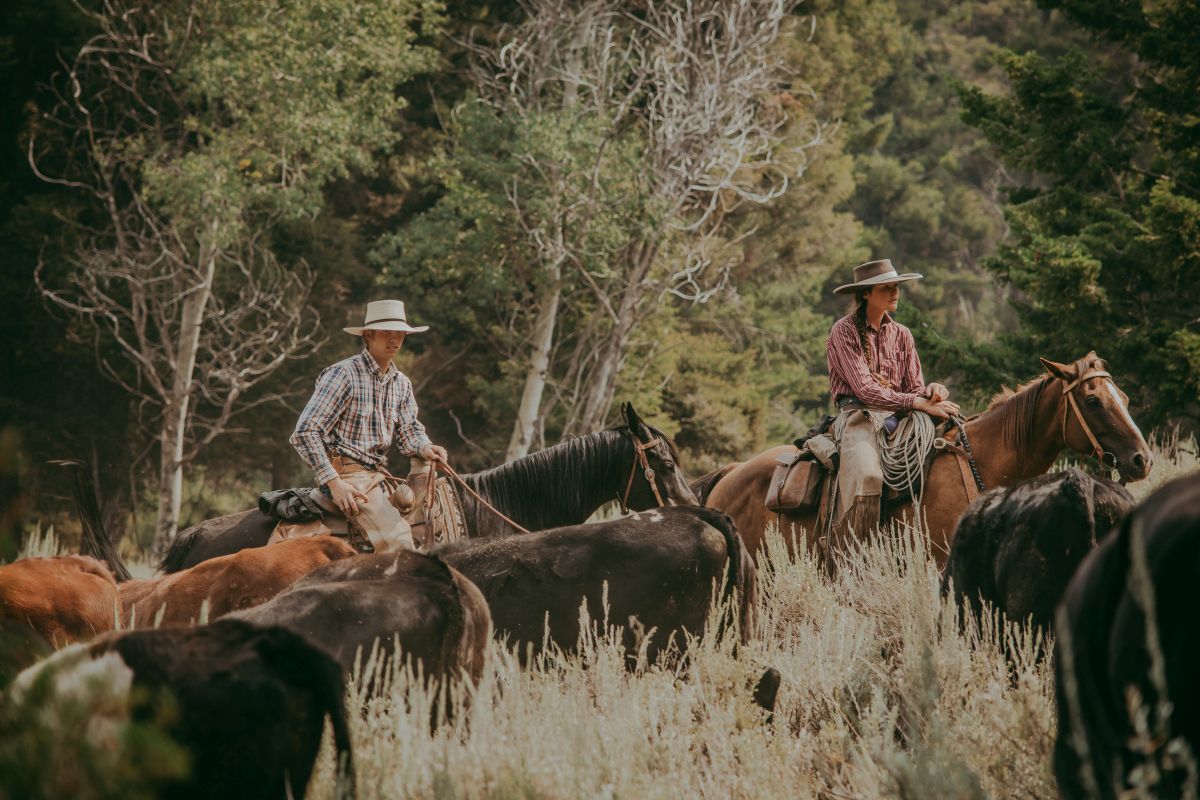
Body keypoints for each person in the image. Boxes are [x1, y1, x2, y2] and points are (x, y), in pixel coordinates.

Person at [290, 299, 448, 552]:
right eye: (387, 332)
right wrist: (333, 482)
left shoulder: (401, 383)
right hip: (348, 476)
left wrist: (426, 447)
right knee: (400, 543)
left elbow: (409, 431)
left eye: (400, 334)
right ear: (368, 335)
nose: (394, 340)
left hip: (377, 475)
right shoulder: (344, 374)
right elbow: (305, 432)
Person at [825, 259, 960, 541]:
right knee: (868, 475)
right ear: (865, 294)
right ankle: (852, 551)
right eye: (886, 288)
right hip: (857, 417)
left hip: (898, 418)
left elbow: (914, 388)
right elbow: (864, 391)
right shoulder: (844, 330)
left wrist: (931, 393)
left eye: (896, 286)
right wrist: (916, 402)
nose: (894, 293)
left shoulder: (902, 334)